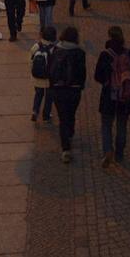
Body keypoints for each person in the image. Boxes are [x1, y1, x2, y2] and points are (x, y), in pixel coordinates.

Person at [94, 25, 130, 166]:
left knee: (106, 125)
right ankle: (119, 154)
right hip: (125, 96)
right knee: (122, 125)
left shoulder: (105, 55)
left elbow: (98, 76)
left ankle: (107, 150)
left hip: (109, 96)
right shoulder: (128, 54)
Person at [49, 26, 87, 162]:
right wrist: (81, 86)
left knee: (62, 118)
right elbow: (82, 72)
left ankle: (65, 148)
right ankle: (70, 133)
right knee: (71, 114)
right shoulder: (80, 53)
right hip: (74, 90)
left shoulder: (55, 50)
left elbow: (50, 70)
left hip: (58, 89)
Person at [29, 25, 57, 123]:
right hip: (49, 79)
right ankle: (46, 115)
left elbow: (31, 61)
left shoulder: (36, 46)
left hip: (37, 78)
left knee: (38, 94)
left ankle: (35, 111)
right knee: (49, 97)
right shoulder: (54, 49)